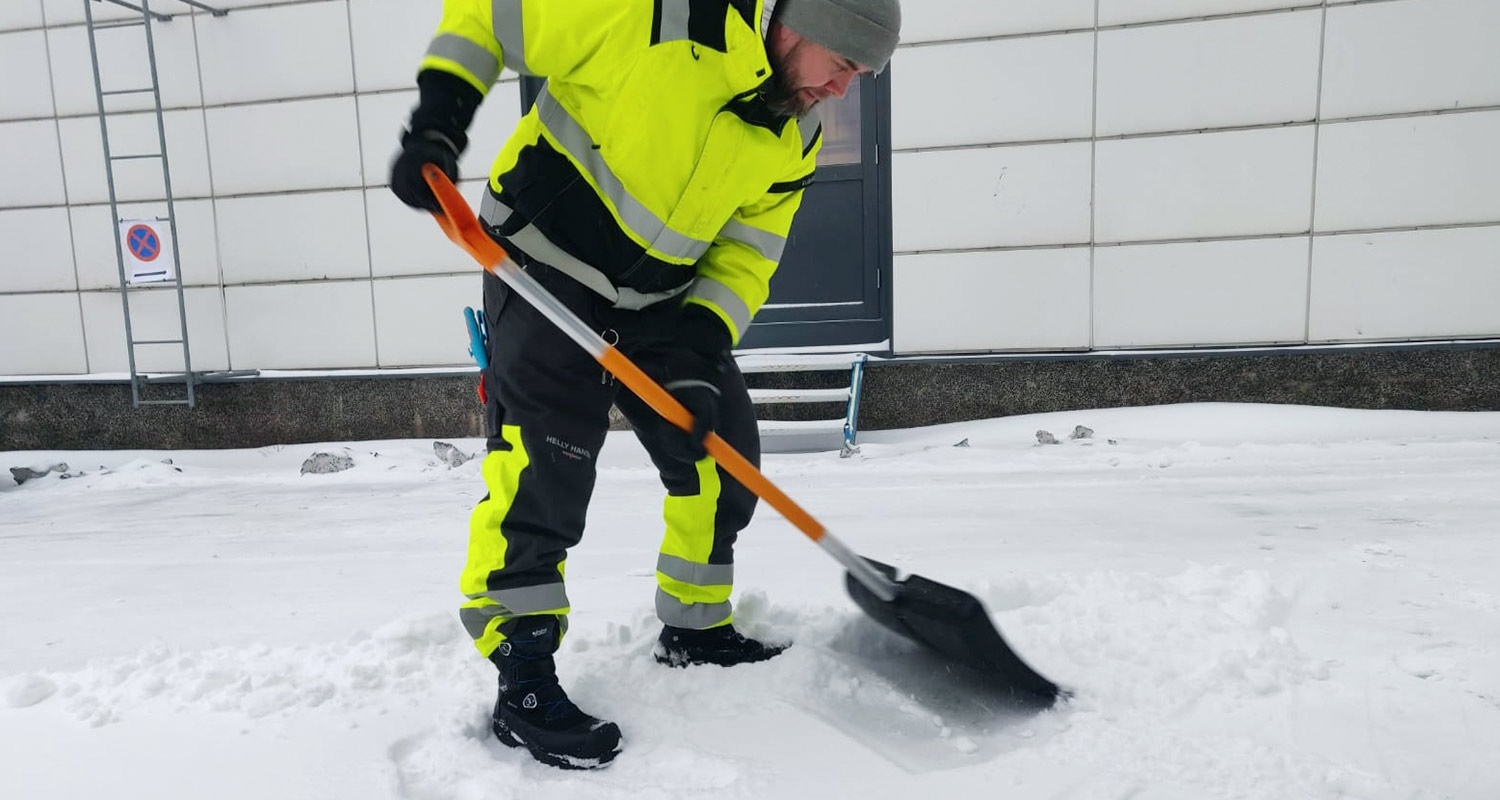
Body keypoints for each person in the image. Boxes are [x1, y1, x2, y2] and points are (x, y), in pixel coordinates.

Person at [390, 0, 900, 771]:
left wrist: (699, 348)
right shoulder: (666, 15)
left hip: (661, 302)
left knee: (724, 457)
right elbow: (493, 16)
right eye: (845, 66)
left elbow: (746, 256)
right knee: (545, 464)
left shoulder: (793, 138)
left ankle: (695, 629)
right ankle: (523, 675)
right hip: (544, 262)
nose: (843, 89)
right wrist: (442, 115)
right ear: (803, 24)